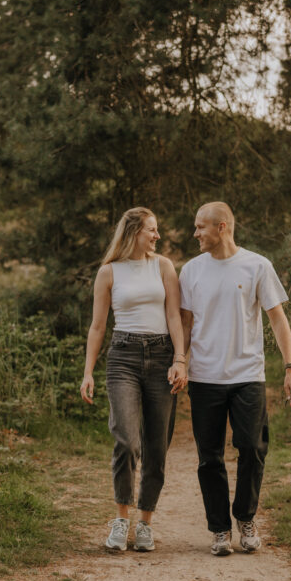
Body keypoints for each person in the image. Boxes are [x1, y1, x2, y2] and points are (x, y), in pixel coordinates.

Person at [179, 201, 291, 556]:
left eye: (201, 227)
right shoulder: (191, 271)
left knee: (252, 447)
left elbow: (277, 319)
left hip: (248, 375)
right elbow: (186, 324)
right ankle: (219, 530)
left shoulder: (257, 266)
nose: (195, 233)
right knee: (210, 457)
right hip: (204, 377)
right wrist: (181, 362)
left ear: (222, 227)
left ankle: (245, 518)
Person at [81, 207, 188, 552]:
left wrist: (179, 359)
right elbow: (98, 326)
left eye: (157, 230)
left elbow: (174, 314)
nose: (157, 236)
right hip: (123, 356)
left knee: (157, 444)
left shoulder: (164, 267)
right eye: (152, 230)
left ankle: (145, 523)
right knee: (126, 440)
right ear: (133, 233)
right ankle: (121, 519)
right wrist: (88, 372)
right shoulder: (108, 272)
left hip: (161, 356)